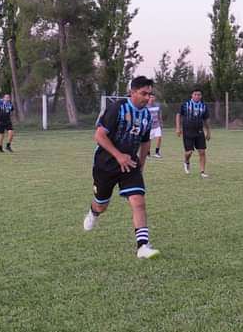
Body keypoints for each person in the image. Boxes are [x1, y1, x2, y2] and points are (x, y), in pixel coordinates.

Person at [83, 76, 159, 259]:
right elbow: (99, 136)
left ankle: (142, 246)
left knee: (138, 202)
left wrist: (140, 166)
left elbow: (145, 142)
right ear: (132, 92)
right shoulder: (117, 108)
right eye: (143, 93)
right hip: (106, 164)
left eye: (150, 94)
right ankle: (93, 213)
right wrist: (119, 156)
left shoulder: (147, 115)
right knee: (102, 205)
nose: (147, 97)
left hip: (130, 165)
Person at [176, 88, 211, 178]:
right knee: (189, 152)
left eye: (199, 95)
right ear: (192, 95)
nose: (197, 96)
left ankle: (202, 172)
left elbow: (206, 119)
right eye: (195, 94)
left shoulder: (204, 106)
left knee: (202, 151)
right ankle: (186, 161)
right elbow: (178, 115)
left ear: (201, 96)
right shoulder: (185, 105)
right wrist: (178, 128)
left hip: (199, 131)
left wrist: (208, 131)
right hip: (187, 131)